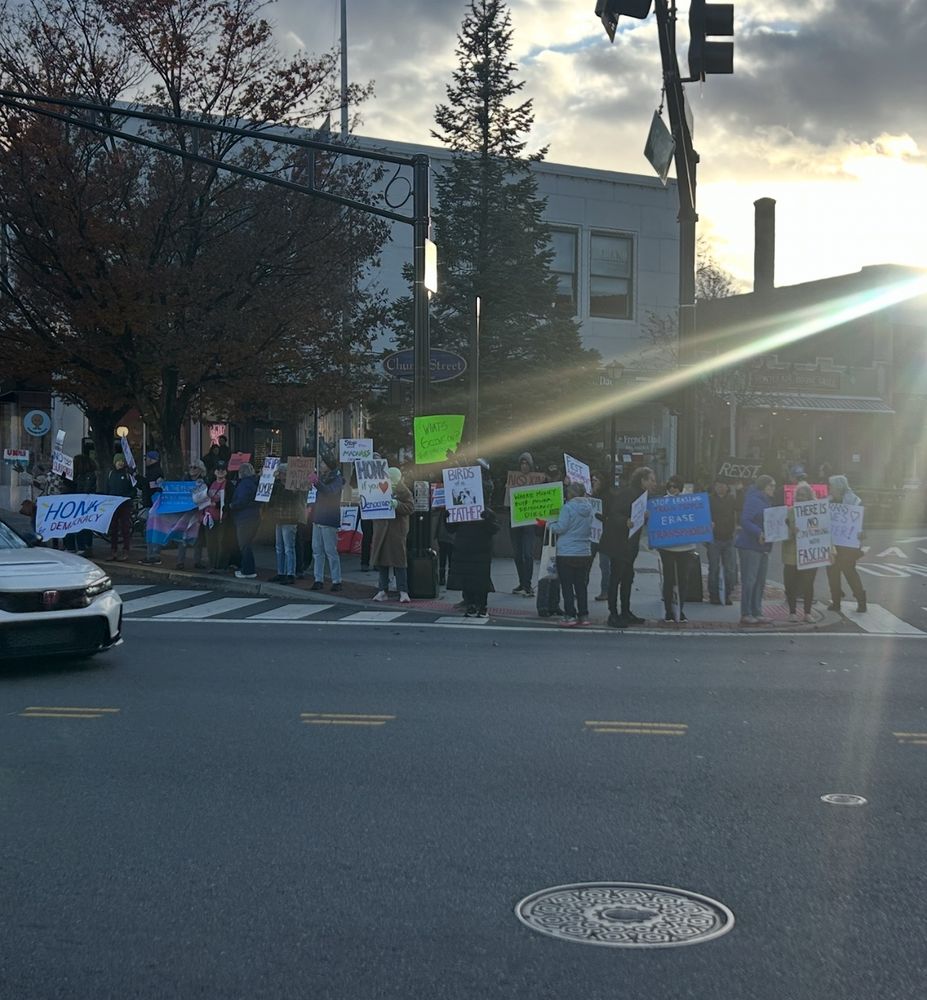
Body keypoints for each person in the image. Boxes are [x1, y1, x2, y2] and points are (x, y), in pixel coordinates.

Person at [599, 465, 657, 628]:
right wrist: (625, 521)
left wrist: (643, 517)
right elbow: (614, 513)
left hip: (630, 545)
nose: (654, 483)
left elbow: (636, 517)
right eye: (651, 480)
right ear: (642, 480)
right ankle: (613, 614)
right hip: (618, 544)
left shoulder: (642, 496)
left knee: (627, 578)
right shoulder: (628, 493)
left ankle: (625, 611)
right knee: (615, 579)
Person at [545, 481, 594, 627]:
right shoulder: (590, 508)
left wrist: (548, 525)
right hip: (584, 551)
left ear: (570, 493)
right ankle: (584, 614)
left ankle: (570, 615)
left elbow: (561, 528)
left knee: (567, 585)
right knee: (581, 585)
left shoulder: (567, 508)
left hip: (566, 552)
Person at [735, 474, 776, 625]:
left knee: (760, 580)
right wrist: (758, 532)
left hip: (763, 546)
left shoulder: (765, 501)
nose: (773, 489)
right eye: (771, 485)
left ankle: (757, 611)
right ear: (763, 487)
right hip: (750, 545)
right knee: (750, 580)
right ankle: (746, 613)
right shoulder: (753, 499)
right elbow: (745, 520)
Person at [656, 475, 697, 623]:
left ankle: (680, 610)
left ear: (680, 487)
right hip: (667, 548)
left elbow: (696, 519)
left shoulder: (689, 502)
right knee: (669, 580)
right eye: (670, 486)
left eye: (675, 486)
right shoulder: (661, 502)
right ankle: (668, 610)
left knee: (683, 580)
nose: (672, 489)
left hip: (686, 548)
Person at [371, 467, 415, 602]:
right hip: (382, 529)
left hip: (396, 530)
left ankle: (403, 590)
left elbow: (410, 507)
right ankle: (382, 590)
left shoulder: (404, 491)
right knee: (382, 561)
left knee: (399, 561)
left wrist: (398, 505)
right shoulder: (378, 488)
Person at [446, 507, 499, 617]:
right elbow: (450, 528)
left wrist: (487, 518)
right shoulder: (460, 510)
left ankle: (481, 606)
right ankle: (471, 605)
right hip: (466, 549)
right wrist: (447, 516)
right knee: (467, 579)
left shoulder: (486, 512)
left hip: (479, 550)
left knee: (481, 579)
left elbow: (494, 529)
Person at [826, 474, 867, 613]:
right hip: (832, 544)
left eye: (831, 486)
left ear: (838, 488)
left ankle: (861, 601)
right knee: (832, 573)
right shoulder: (828, 502)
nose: (829, 489)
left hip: (848, 545)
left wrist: (861, 532)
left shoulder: (855, 502)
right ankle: (836, 602)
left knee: (850, 573)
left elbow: (862, 522)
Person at [782, 482, 818, 623]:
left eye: (804, 495)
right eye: (799, 495)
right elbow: (781, 535)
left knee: (808, 584)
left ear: (810, 497)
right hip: (791, 555)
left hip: (810, 555)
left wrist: (831, 552)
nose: (801, 498)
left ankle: (807, 613)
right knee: (790, 585)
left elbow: (825, 534)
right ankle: (792, 613)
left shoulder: (817, 512)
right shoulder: (788, 512)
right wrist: (791, 532)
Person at [310, 452, 345, 592]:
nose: (321, 465)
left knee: (330, 550)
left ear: (329, 466)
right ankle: (318, 579)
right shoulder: (325, 478)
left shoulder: (337, 479)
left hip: (329, 518)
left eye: (323, 463)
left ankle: (337, 580)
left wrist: (316, 483)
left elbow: (329, 492)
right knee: (317, 550)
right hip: (319, 517)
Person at [265, 463, 304, 585]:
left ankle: (290, 573)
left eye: (283, 473)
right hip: (280, 519)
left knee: (288, 548)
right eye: (281, 473)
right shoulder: (277, 486)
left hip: (289, 519)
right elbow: (271, 499)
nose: (281, 476)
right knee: (280, 547)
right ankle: (281, 572)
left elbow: (299, 498)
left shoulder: (294, 486)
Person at [174, 460, 211, 570]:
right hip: (185, 512)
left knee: (198, 537)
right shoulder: (184, 480)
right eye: (190, 467)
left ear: (201, 469)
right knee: (183, 537)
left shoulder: (205, 481)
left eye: (195, 467)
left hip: (198, 512)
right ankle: (180, 561)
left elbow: (206, 496)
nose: (192, 470)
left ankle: (197, 561)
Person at [510, 452, 538, 598]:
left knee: (527, 554)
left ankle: (528, 584)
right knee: (517, 554)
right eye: (522, 463)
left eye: (526, 463)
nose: (524, 466)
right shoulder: (514, 479)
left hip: (529, 522)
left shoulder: (536, 480)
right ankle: (522, 582)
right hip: (516, 521)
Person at [706, 477, 737, 605]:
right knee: (714, 568)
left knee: (729, 569)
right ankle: (713, 595)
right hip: (714, 538)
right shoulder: (709, 499)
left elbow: (740, 508)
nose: (720, 487)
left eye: (723, 484)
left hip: (728, 538)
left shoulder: (732, 499)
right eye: (718, 484)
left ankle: (727, 594)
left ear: (727, 486)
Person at [228, 461, 260, 578]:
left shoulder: (244, 485)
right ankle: (247, 568)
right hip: (253, 516)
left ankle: (248, 570)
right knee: (246, 544)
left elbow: (242, 500)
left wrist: (232, 505)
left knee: (244, 544)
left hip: (244, 517)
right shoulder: (254, 483)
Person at [203, 461, 233, 573]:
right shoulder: (209, 483)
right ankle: (212, 564)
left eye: (223, 469)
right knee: (211, 542)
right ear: (214, 471)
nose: (220, 471)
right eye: (218, 469)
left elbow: (230, 500)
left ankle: (221, 566)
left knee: (222, 542)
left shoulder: (229, 485)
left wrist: (218, 505)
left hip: (222, 518)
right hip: (209, 517)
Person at [106, 454, 135, 561]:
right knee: (113, 529)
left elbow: (133, 490)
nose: (120, 463)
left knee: (125, 528)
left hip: (125, 505)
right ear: (115, 462)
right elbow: (107, 489)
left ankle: (125, 550)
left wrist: (127, 497)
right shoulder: (111, 474)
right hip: (113, 505)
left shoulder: (128, 474)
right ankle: (113, 551)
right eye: (118, 461)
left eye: (122, 461)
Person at [70, 453, 98, 557]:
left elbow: (85, 489)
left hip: (85, 503)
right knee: (84, 525)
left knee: (83, 525)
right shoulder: (82, 475)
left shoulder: (88, 476)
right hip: (82, 502)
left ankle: (84, 546)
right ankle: (85, 546)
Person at [591, 471, 611, 602]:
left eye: (596, 480)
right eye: (592, 480)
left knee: (604, 565)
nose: (593, 483)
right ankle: (580, 589)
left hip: (604, 535)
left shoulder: (608, 496)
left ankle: (605, 591)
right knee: (586, 563)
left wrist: (603, 518)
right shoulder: (589, 495)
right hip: (592, 534)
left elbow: (611, 516)